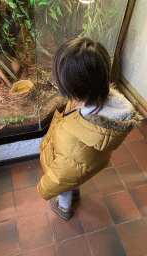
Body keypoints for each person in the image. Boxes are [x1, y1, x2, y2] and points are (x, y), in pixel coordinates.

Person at [37, 37, 140, 220]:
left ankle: (64, 209)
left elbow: (62, 175)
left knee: (65, 187)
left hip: (69, 166)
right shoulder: (97, 102)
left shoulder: (77, 131)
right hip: (83, 165)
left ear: (74, 87)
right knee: (75, 177)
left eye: (61, 78)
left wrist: (44, 187)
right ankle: (75, 190)